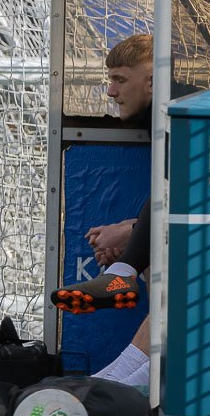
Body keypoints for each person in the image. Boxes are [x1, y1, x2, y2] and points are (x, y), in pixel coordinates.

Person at [51, 33, 155, 386]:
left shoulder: (183, 111)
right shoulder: (162, 115)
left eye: (120, 80)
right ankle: (116, 380)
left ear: (154, 79)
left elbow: (190, 194)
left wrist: (129, 231)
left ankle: (131, 384)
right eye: (110, 80)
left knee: (169, 261)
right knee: (157, 260)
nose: (110, 92)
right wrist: (135, 231)